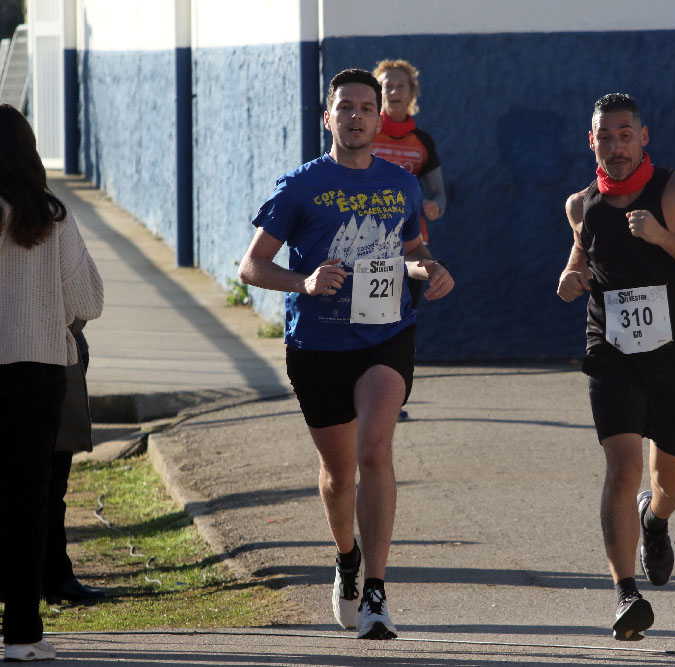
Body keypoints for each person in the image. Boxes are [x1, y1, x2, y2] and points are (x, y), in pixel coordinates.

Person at [237, 68, 454, 641]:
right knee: (338, 474)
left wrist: (429, 270)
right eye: (346, 107)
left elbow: (413, 249)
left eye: (366, 107)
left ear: (380, 118)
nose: (356, 116)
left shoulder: (401, 184)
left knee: (375, 449)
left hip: (386, 334)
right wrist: (304, 282)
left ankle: (377, 592)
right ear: (328, 117)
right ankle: (347, 557)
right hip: (318, 344)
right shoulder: (299, 186)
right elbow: (251, 266)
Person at [556, 93, 675, 641]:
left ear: (644, 136)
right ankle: (625, 595)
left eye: (625, 135)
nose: (616, 147)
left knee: (668, 480)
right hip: (611, 351)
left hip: (674, 352)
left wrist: (661, 236)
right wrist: (569, 277)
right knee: (622, 465)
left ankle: (655, 520)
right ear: (592, 142)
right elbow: (581, 256)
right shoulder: (581, 205)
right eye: (605, 137)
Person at [0, 103, 104, 661]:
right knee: (27, 501)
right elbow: (89, 299)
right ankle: (22, 634)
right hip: (37, 371)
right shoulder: (51, 214)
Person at [371, 58, 446, 422]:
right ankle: (366, 395)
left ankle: (391, 399)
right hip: (368, 245)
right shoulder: (365, 133)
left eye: (400, 85)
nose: (393, 91)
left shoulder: (422, 142)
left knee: (401, 324)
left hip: (411, 249)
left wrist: (434, 206)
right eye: (386, 86)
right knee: (372, 320)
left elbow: (439, 194)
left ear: (412, 92)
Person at [44, 327, 107, 604]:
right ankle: (54, 577)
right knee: (47, 487)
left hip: (53, 356)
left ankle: (54, 575)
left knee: (48, 487)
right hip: (43, 363)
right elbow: (85, 306)